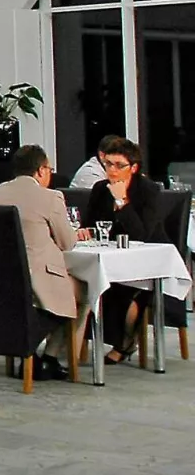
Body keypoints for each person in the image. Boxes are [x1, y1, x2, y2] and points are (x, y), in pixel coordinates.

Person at [0, 145, 91, 379]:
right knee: (85, 289)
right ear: (41, 170)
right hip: (38, 282)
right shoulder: (50, 197)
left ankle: (41, 358)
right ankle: (53, 356)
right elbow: (67, 242)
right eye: (49, 169)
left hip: (1, 280)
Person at [82, 137, 170, 363]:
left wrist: (122, 201)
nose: (112, 170)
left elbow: (142, 234)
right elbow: (89, 224)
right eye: (108, 164)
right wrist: (84, 231)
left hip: (149, 260)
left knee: (129, 294)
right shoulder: (100, 189)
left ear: (133, 167)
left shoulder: (148, 190)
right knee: (93, 285)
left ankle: (125, 343)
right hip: (112, 257)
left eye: (119, 165)